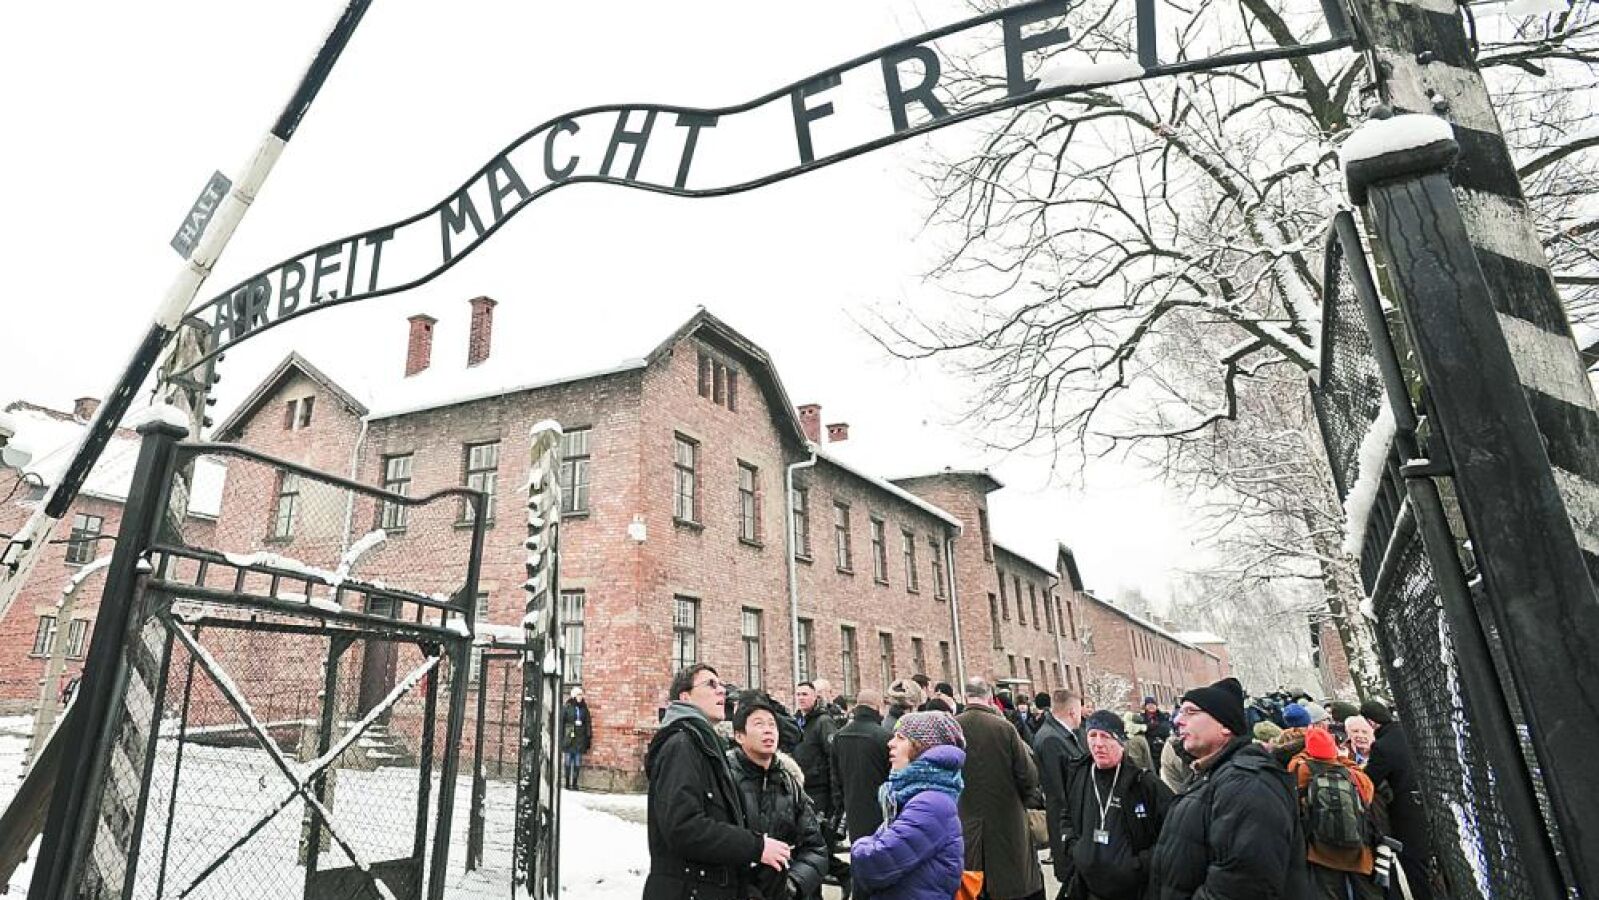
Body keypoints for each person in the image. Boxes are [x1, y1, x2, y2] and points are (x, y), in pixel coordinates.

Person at [1148, 677, 1310, 899]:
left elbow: (1242, 886)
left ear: (1225, 726)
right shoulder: (1211, 775)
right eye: (1180, 712)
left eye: (1190, 712)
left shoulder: (1248, 783)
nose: (1178, 720)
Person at [643, 664, 792, 900]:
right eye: (710, 684)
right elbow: (683, 827)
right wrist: (755, 847)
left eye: (721, 685)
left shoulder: (705, 745)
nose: (721, 690)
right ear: (685, 697)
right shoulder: (681, 745)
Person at [849, 712, 967, 900]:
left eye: (901, 738)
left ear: (922, 746)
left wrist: (859, 845)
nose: (890, 743)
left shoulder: (930, 804)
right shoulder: (919, 796)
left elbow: (875, 864)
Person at [1060, 711, 1173, 900]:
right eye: (1092, 735)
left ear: (1120, 741)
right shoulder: (1079, 774)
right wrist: (1075, 849)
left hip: (1133, 890)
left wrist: (1140, 864)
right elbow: (1066, 814)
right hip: (1088, 887)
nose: (1098, 744)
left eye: (1106, 736)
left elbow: (1173, 831)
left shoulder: (1142, 782)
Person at [728, 697, 830, 900]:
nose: (768, 731)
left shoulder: (788, 782)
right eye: (759, 724)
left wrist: (792, 884)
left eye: (772, 725)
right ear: (739, 736)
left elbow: (815, 848)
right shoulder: (725, 779)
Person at [958, 678, 1045, 900]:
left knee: (971, 887)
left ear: (966, 697)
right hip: (1007, 820)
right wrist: (1024, 799)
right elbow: (1028, 776)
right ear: (989, 698)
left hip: (965, 820)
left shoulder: (953, 729)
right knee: (1010, 887)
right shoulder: (1004, 729)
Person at [1286, 728, 1382, 900]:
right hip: (1357, 849)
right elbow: (1367, 796)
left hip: (1321, 850)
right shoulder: (1354, 775)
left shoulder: (1302, 769)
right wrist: (1342, 758)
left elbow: (1292, 768)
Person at [1361, 700, 1432, 900]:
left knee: (1414, 865)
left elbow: (1369, 780)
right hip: (1428, 803)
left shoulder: (1382, 747)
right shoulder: (1410, 733)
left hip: (1406, 812)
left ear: (1372, 722)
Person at [1033, 688, 1088, 891]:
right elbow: (1059, 792)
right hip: (1067, 826)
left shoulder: (1063, 735)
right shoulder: (1051, 739)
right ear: (1072, 712)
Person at [831, 688, 893, 843]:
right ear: (878, 707)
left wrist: (840, 806)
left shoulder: (839, 736)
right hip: (880, 810)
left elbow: (835, 777)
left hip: (852, 807)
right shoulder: (885, 737)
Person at [793, 681, 840, 825]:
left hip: (819, 790)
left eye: (805, 694)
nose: (801, 698)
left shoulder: (823, 722)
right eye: (798, 695)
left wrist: (834, 795)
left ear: (814, 697)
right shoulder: (795, 722)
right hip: (801, 788)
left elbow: (833, 756)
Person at [561, 687, 593, 790]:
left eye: (581, 695)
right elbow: (562, 722)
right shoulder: (568, 707)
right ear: (574, 696)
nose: (580, 697)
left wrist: (588, 736)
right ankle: (567, 783)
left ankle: (574, 783)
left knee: (577, 762)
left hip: (580, 738)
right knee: (568, 761)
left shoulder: (584, 708)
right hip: (569, 737)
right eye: (578, 695)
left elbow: (588, 722)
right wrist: (562, 736)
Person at [1138, 697, 1173, 763]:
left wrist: (1148, 728)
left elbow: (1165, 729)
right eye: (1149, 704)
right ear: (1145, 706)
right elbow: (1140, 731)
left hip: (1163, 746)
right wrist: (1151, 727)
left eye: (1153, 704)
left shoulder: (1163, 716)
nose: (1151, 706)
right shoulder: (1141, 718)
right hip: (1149, 748)